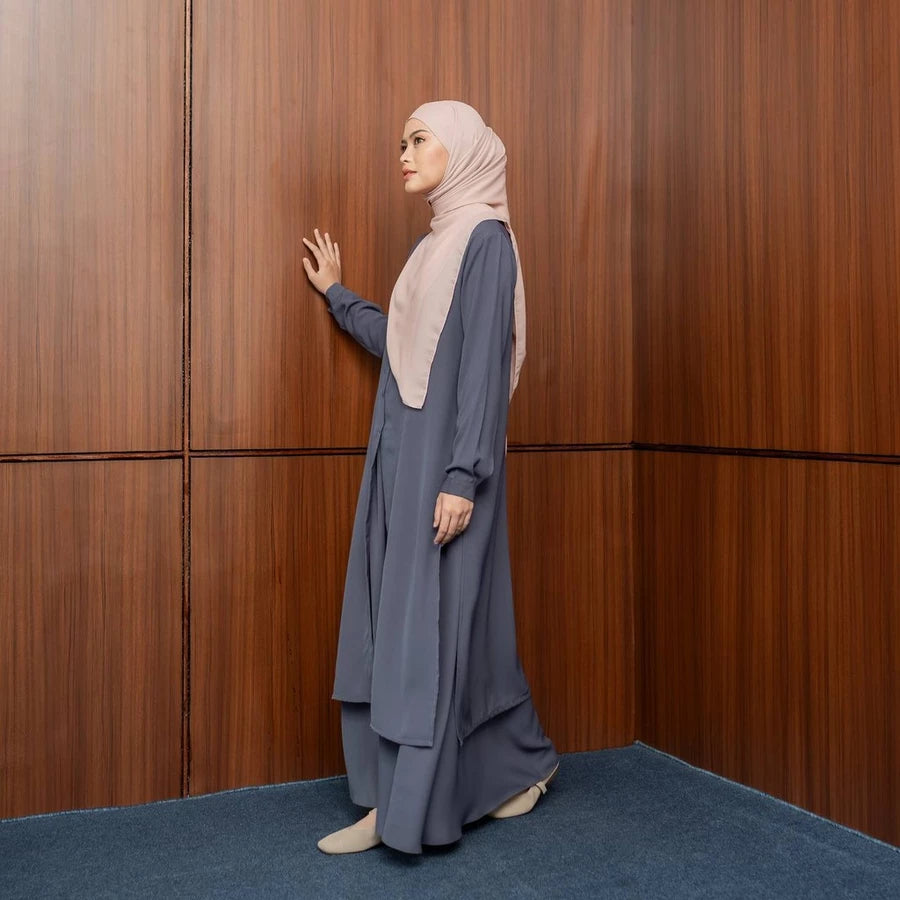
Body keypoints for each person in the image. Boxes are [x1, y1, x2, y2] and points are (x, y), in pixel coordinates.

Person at [301, 100, 558, 856]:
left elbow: (478, 368)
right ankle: (520, 767)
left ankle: (398, 811)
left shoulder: (485, 243)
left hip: (444, 472)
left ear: (464, 148)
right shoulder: (433, 248)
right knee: (438, 626)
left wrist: (462, 474)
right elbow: (403, 341)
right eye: (401, 140)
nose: (403, 153)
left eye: (418, 139)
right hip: (400, 461)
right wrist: (337, 295)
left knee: (427, 635)